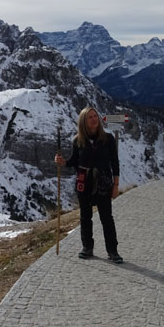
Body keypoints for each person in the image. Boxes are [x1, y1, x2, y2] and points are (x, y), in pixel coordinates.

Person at [55, 107, 123, 263]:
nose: (94, 119)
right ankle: (87, 248)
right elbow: (74, 161)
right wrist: (62, 162)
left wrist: (116, 185)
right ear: (83, 122)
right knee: (85, 217)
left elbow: (114, 162)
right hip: (83, 182)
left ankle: (113, 251)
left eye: (95, 116)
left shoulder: (108, 139)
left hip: (103, 182)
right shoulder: (78, 141)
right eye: (89, 117)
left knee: (107, 218)